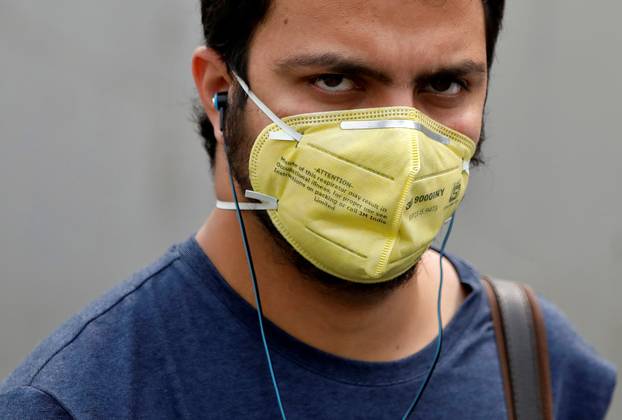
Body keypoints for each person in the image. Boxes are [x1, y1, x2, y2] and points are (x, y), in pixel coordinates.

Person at [0, 0, 616, 418]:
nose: (399, 144)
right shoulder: (78, 400)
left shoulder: (537, 365)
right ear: (221, 94)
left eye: (445, 85)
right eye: (335, 81)